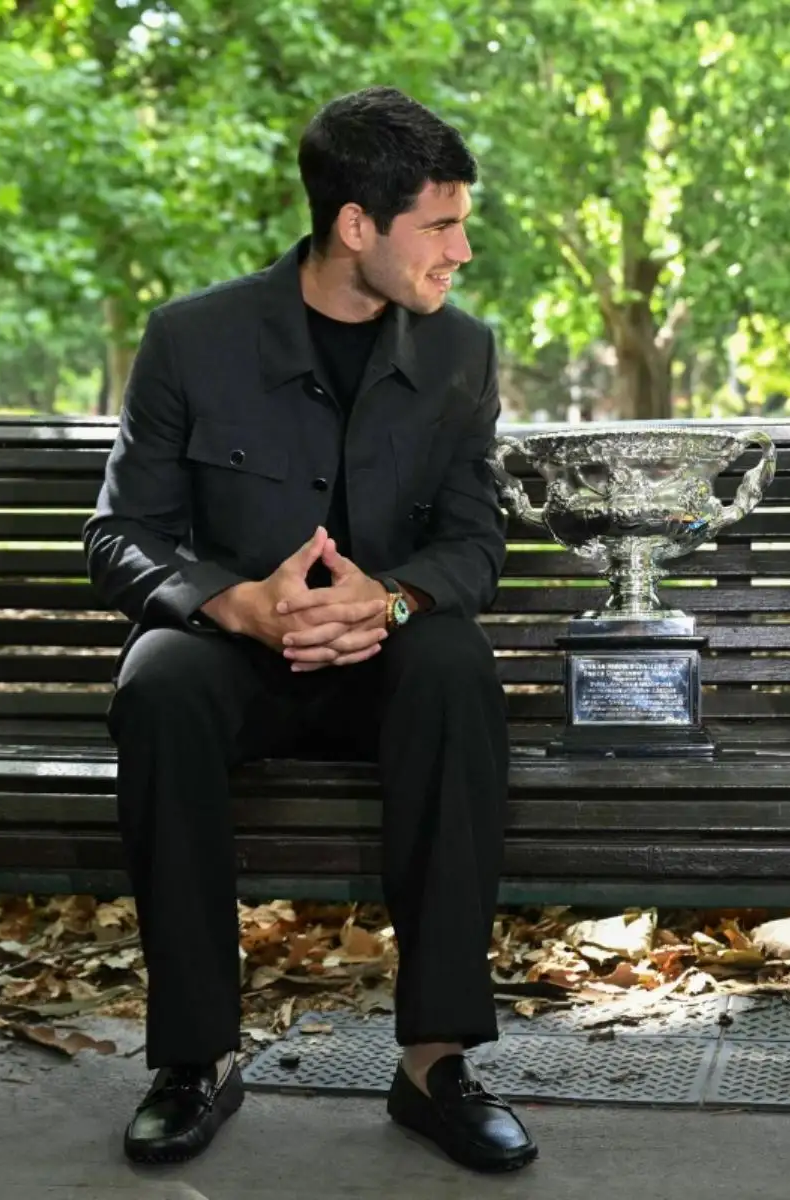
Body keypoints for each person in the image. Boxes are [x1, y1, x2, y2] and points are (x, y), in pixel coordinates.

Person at [83, 86, 536, 1174]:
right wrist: (233, 601)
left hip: (389, 657)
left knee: (457, 671)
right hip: (240, 657)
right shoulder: (192, 340)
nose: (461, 250)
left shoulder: (461, 353)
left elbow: (477, 544)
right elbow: (121, 535)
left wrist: (388, 601)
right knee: (157, 682)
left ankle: (436, 1063)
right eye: (440, 223)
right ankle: (196, 1062)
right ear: (354, 225)